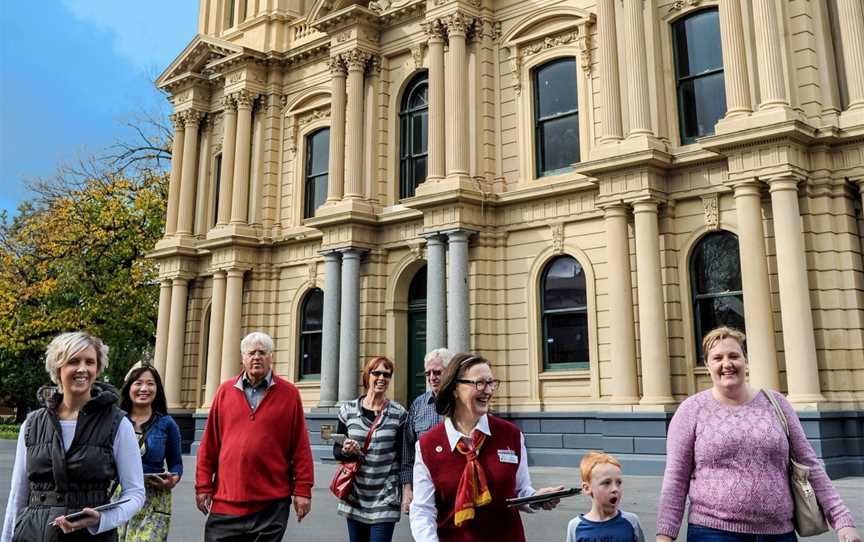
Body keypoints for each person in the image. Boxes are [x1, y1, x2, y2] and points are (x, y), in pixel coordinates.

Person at [656, 326, 860, 542]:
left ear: (745, 360)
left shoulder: (776, 403)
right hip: (713, 532)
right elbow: (675, 480)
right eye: (717, 358)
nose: (727, 364)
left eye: (734, 355)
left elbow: (810, 465)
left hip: (780, 534)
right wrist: (664, 536)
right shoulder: (691, 410)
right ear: (707, 365)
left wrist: (843, 522)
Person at [1, 331, 145, 542]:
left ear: (98, 368)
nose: (82, 369)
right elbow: (18, 494)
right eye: (73, 361)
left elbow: (135, 493)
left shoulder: (118, 424)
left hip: (91, 537)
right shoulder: (32, 424)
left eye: (90, 362)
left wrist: (102, 519)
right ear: (57, 368)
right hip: (33, 534)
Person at [409, 352, 563, 542]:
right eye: (479, 383)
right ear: (455, 389)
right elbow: (422, 511)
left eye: (491, 383)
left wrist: (536, 498)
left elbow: (520, 491)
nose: (488, 390)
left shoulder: (511, 435)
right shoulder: (428, 445)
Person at [195, 331, 314, 542]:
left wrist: (303, 490)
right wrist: (203, 485)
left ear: (271, 357)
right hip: (226, 503)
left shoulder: (289, 394)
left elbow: (300, 447)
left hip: (271, 505)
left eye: (262, 352)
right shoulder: (224, 391)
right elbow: (209, 445)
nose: (256, 357)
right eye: (251, 353)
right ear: (243, 358)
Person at [333, 356, 408, 542]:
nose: (382, 378)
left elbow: (403, 456)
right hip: (355, 494)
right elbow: (336, 450)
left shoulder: (399, 414)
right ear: (368, 376)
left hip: (385, 496)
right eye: (377, 373)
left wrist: (407, 489)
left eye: (387, 374)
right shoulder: (347, 410)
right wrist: (346, 451)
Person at [117, 365, 183, 542]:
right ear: (129, 387)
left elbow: (176, 463)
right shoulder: (116, 421)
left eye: (150, 384)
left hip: (154, 498)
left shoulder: (167, 424)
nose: (144, 389)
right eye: (138, 383)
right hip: (118, 497)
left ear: (157, 389)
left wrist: (173, 479)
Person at [400, 348, 454, 513]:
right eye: (428, 373)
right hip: (425, 492)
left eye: (437, 372)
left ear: (450, 372)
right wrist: (407, 490)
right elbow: (408, 452)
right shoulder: (418, 405)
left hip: (457, 490)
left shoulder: (463, 403)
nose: (432, 378)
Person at [565, 451, 645, 542]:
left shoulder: (632, 522)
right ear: (587, 488)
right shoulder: (575, 526)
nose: (615, 489)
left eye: (618, 482)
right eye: (606, 483)